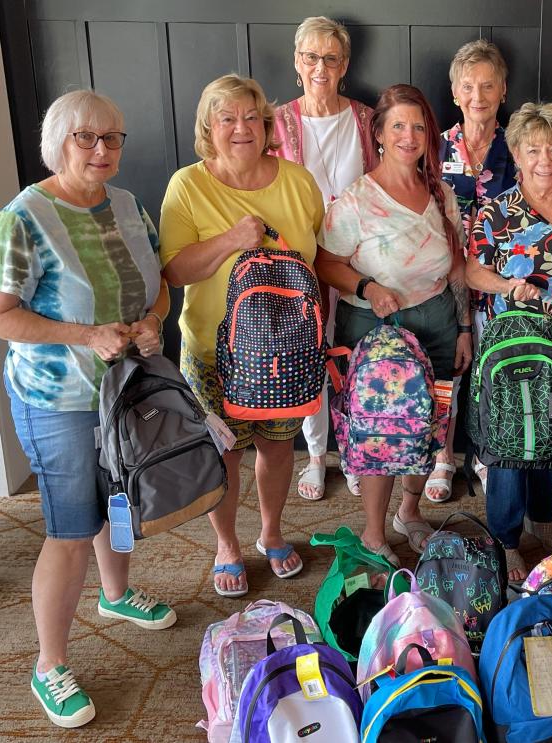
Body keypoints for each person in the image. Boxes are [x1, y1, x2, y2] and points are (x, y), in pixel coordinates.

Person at [0, 90, 175, 728]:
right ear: (57, 143)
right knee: (69, 527)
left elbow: (162, 284)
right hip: (57, 399)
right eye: (86, 138)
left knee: (118, 497)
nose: (101, 150)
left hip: (124, 389)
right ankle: (48, 664)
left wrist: (150, 321)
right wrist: (85, 335)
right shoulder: (23, 218)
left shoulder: (127, 205)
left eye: (112, 138)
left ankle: (116, 595)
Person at [160, 74, 321, 596]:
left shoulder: (298, 181)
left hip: (288, 351)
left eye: (251, 116)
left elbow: (323, 257)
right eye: (226, 118)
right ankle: (227, 545)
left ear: (267, 124)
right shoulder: (188, 185)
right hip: (214, 351)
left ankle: (270, 532)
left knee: (278, 448)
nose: (241, 128)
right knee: (223, 452)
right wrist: (233, 239)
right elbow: (175, 271)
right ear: (209, 128)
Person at [317, 84, 471, 567]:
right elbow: (325, 262)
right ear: (379, 133)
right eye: (398, 126)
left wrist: (464, 325)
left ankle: (410, 511)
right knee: (382, 431)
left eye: (419, 126)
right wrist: (366, 288)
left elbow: (460, 266)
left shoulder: (440, 193)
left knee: (430, 421)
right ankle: (373, 532)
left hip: (439, 321)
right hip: (374, 328)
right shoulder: (357, 200)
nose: (410, 136)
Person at [466, 102, 552, 582]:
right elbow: (472, 270)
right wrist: (506, 287)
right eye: (533, 149)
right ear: (517, 155)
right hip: (516, 346)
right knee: (508, 436)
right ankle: (504, 536)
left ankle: (541, 514)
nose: (545, 158)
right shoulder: (497, 211)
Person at [270, 16, 379, 502]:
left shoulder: (366, 118)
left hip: (357, 256)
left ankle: (354, 448)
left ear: (344, 65)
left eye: (330, 58)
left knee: (355, 351)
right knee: (309, 352)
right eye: (311, 57)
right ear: (297, 62)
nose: (320, 66)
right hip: (299, 257)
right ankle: (316, 454)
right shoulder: (276, 122)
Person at [432, 39, 517, 502]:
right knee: (450, 369)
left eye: (488, 85)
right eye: (469, 86)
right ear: (455, 92)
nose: (478, 95)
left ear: (503, 90)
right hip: (446, 281)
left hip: (502, 282)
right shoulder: (435, 145)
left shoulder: (518, 146)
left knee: (492, 371)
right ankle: (444, 456)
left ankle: (485, 455)